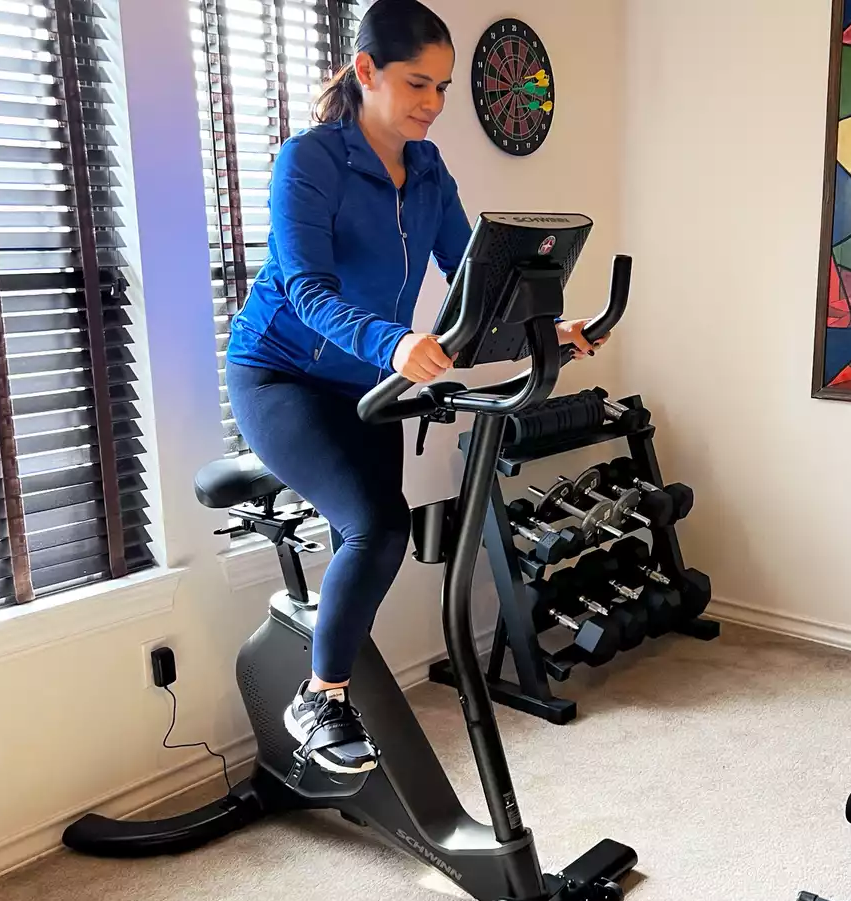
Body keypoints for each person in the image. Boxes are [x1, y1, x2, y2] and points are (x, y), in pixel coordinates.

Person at [224, 0, 600, 774]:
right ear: (366, 71)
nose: (433, 103)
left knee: (378, 537)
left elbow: (473, 279)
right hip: (281, 372)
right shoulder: (310, 162)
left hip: (368, 380)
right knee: (378, 525)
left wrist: (547, 328)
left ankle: (334, 691)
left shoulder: (427, 171)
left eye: (443, 87)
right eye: (417, 84)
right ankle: (320, 699)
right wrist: (393, 342)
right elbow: (304, 289)